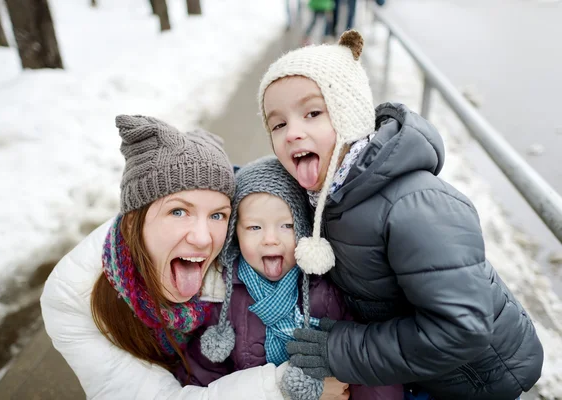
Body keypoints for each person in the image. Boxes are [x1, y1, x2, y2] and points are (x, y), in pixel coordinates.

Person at [257, 30, 544, 399]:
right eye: (278, 124)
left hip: (481, 380)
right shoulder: (325, 196)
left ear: (351, 116)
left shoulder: (416, 205)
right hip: (419, 373)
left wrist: (340, 350)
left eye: (313, 113)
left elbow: (462, 329)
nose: (293, 132)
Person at [41, 115, 291, 399]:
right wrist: (282, 386)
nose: (203, 237)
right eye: (178, 211)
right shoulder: (72, 295)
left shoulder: (248, 245)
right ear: (133, 221)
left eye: (217, 215)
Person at [178, 156, 403, 400]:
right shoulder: (224, 296)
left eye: (286, 226)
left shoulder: (326, 289)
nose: (270, 239)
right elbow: (206, 372)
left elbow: (362, 360)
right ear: (235, 235)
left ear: (304, 229)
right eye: (255, 227)